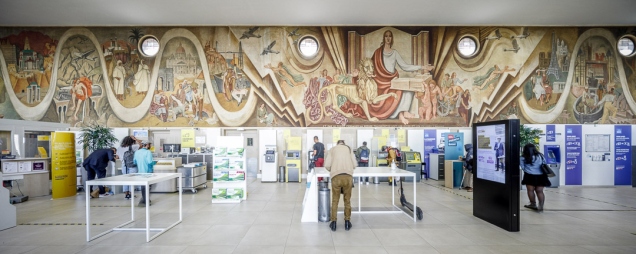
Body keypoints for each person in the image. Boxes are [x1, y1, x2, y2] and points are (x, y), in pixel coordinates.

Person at [340, 30, 433, 125]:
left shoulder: (395, 53)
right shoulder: (377, 52)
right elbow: (368, 67)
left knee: (408, 90)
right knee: (397, 92)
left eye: (390, 36)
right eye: (386, 36)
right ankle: (401, 114)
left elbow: (405, 66)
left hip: (392, 81)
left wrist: (423, 67)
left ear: (392, 38)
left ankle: (402, 113)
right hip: (380, 83)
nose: (388, 38)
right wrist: (358, 73)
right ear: (384, 38)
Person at [325, 140, 357, 232]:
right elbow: (354, 164)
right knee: (347, 200)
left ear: (337, 144)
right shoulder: (348, 149)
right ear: (344, 143)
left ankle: (334, 223)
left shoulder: (332, 149)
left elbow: (327, 165)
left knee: (335, 200)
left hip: (336, 177)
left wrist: (334, 169)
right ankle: (347, 222)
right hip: (348, 177)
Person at [520, 143, 551, 212]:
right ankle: (541, 206)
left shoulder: (523, 157)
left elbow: (523, 167)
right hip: (541, 176)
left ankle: (533, 204)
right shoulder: (541, 156)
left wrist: (529, 170)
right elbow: (544, 163)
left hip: (529, 175)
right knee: (540, 191)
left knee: (530, 190)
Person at [134, 140, 156, 207]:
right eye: (149, 144)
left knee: (143, 186)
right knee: (148, 186)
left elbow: (134, 162)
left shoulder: (137, 152)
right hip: (148, 171)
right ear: (147, 145)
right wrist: (155, 163)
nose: (150, 146)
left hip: (140, 171)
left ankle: (144, 199)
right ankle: (145, 200)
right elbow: (150, 162)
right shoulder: (148, 152)